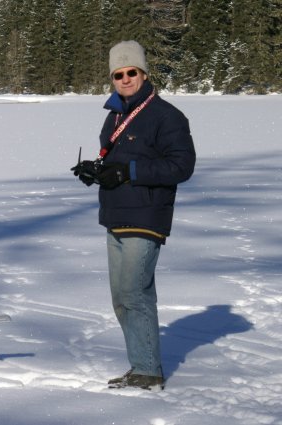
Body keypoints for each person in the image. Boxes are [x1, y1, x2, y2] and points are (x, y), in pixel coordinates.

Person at [71, 40, 196, 390]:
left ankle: (148, 373)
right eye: (118, 74)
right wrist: (96, 171)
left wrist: (129, 173)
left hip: (147, 216)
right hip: (115, 214)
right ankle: (141, 365)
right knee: (121, 298)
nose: (125, 79)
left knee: (134, 293)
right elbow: (116, 162)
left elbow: (181, 165)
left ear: (143, 73)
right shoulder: (114, 115)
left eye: (131, 72)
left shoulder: (167, 116)